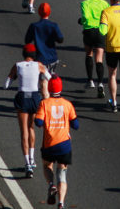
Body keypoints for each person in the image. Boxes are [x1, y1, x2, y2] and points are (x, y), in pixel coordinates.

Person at [4, 43, 51, 178]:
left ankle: (27, 164)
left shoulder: (18, 65)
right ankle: (32, 158)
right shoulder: (39, 65)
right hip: (35, 98)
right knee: (31, 128)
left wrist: (13, 80)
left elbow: (6, 84)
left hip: (22, 97)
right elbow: (48, 77)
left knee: (23, 130)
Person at [34, 75, 78, 209]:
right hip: (64, 144)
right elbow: (76, 125)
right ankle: (61, 203)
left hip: (49, 144)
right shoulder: (67, 104)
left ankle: (51, 185)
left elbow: (38, 122)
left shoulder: (44, 103)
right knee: (62, 173)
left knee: (47, 166)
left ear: (49, 88)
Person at [78, 0, 109, 97]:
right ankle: (100, 83)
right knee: (99, 58)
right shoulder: (105, 3)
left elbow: (85, 17)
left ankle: (90, 80)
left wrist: (81, 21)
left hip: (89, 31)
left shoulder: (84, 3)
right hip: (101, 31)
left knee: (89, 54)